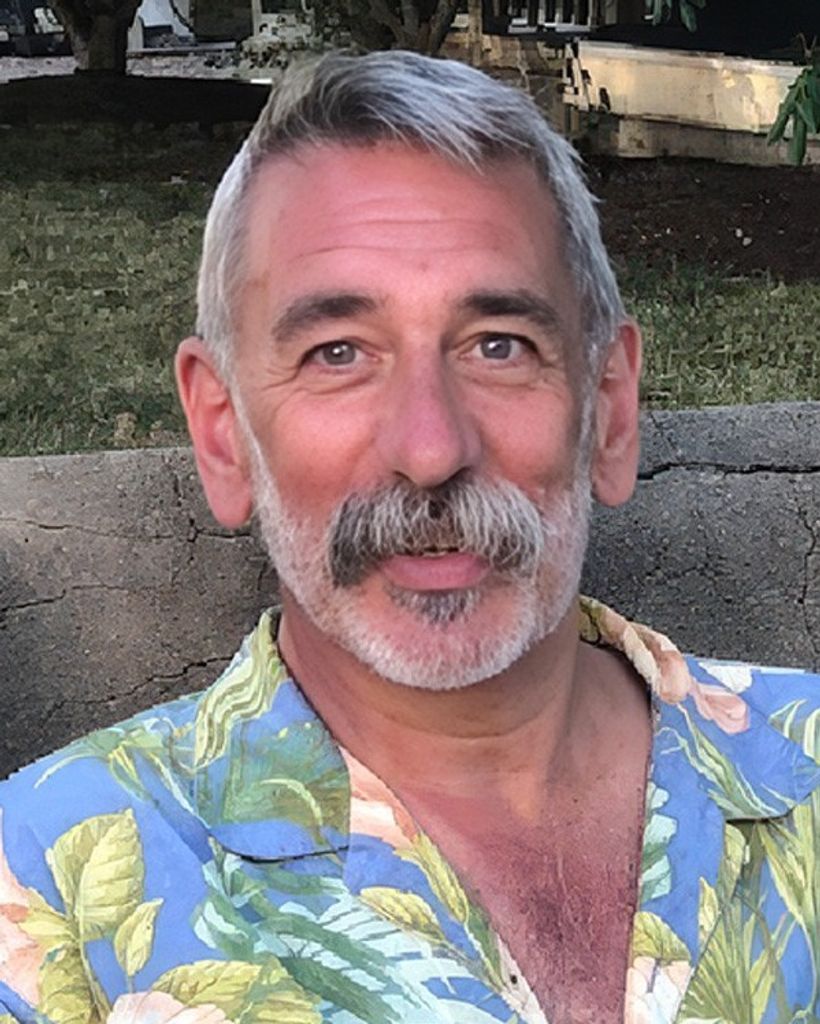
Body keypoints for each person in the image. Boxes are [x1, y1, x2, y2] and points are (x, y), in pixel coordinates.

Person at [0, 50, 817, 1024]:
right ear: (223, 435)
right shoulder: (44, 897)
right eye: (337, 353)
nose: (429, 450)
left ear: (607, 411)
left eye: (499, 346)